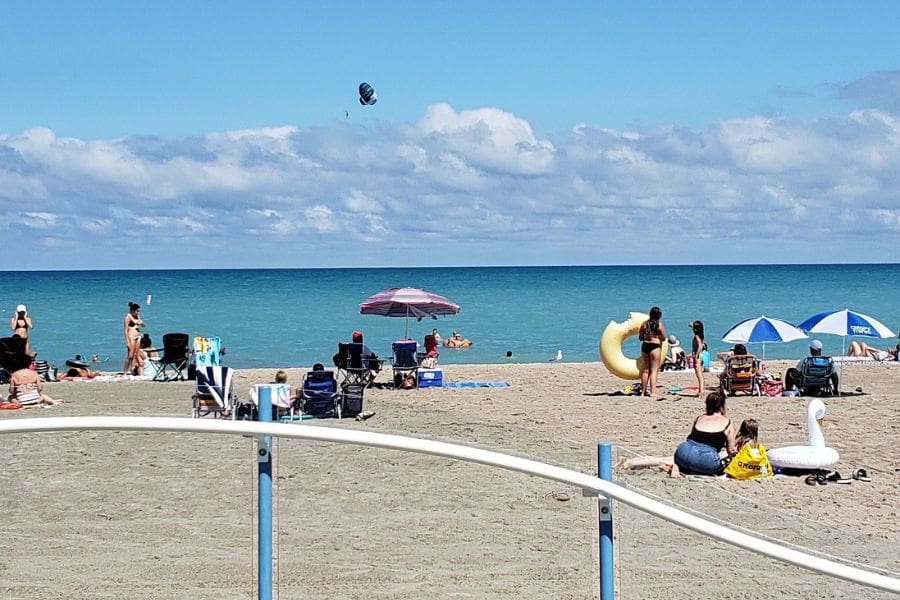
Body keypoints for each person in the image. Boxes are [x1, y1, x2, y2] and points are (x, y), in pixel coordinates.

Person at [620, 391, 737, 477]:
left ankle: (631, 462)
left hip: (684, 451)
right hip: (706, 459)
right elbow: (731, 450)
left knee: (666, 459)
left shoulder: (700, 418)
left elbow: (694, 438)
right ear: (722, 406)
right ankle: (681, 468)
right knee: (719, 457)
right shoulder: (728, 422)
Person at [638, 306, 666, 400]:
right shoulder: (659, 325)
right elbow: (663, 338)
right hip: (655, 347)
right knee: (654, 371)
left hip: (645, 346)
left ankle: (643, 392)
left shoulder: (644, 324)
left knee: (646, 370)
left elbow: (640, 338)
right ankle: (653, 393)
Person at [123, 301, 145, 374]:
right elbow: (125, 330)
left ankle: (132, 370)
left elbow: (143, 324)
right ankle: (125, 372)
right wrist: (127, 341)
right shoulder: (127, 317)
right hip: (131, 336)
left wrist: (141, 323)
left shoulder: (137, 317)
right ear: (132, 311)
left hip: (137, 336)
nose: (138, 312)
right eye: (137, 311)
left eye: (139, 311)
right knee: (130, 355)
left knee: (136, 354)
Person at [690, 320, 705, 396]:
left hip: (698, 356)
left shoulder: (697, 336)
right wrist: (691, 326)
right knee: (699, 373)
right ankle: (701, 390)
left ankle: (701, 391)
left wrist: (696, 355)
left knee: (699, 374)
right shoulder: (700, 335)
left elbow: (700, 346)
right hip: (700, 356)